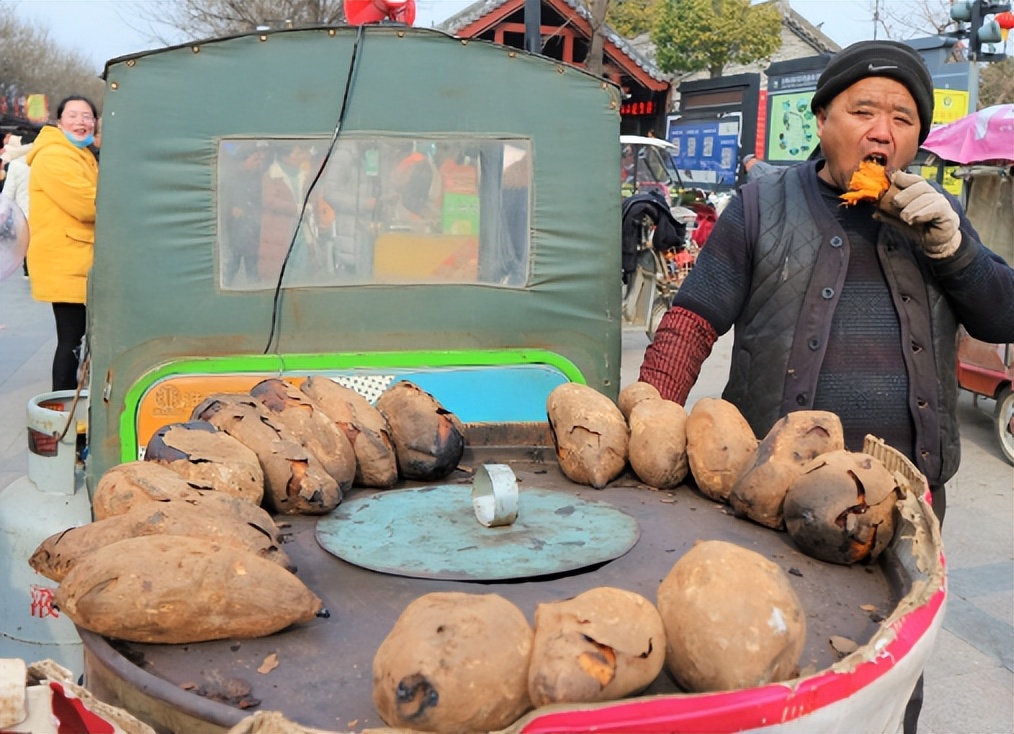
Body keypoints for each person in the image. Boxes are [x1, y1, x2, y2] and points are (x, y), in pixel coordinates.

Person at [638, 41, 1014, 732]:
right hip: (773, 499)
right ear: (820, 120)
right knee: (771, 664)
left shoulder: (937, 215)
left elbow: (1003, 315)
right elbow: (693, 319)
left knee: (891, 680)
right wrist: (648, 420)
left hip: (906, 503)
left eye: (903, 118)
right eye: (864, 111)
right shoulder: (762, 205)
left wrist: (955, 249)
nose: (882, 132)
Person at [25, 96, 100, 391]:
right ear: (59, 122)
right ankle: (62, 406)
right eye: (73, 116)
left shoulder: (78, 153)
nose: (81, 122)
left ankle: (69, 403)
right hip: (67, 261)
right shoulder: (54, 156)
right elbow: (87, 204)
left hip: (79, 258)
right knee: (71, 340)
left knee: (77, 339)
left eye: (87, 116)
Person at [0, 132, 34, 276]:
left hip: (22, 214)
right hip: (42, 212)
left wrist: (2, 213)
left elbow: (8, 193)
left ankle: (27, 268)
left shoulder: (16, 165)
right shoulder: (45, 161)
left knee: (26, 242)